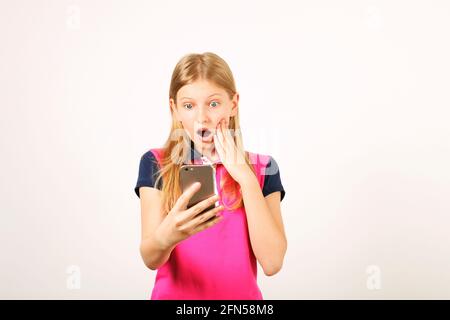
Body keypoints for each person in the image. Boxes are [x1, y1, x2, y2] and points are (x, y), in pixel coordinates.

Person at [134, 52, 287, 300]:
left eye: (213, 104)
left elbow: (272, 263)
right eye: (188, 105)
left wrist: (245, 178)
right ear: (174, 109)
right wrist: (168, 236)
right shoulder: (155, 163)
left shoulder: (264, 167)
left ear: (233, 104)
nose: (202, 117)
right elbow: (150, 258)